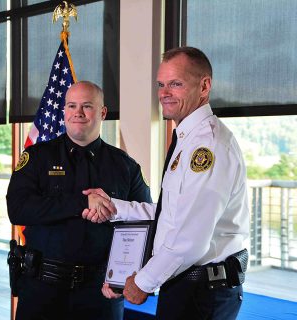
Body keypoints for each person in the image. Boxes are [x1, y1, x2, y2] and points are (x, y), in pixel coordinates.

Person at [83, 47, 250, 320]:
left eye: (176, 84)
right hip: (187, 286)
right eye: (161, 85)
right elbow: (172, 213)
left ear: (204, 86)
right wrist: (115, 207)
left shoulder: (206, 146)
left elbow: (189, 240)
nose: (164, 93)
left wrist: (142, 282)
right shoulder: (188, 137)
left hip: (202, 294)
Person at [6, 81, 152, 320]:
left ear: (103, 113)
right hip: (43, 288)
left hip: (101, 291)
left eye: (87, 106)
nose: (78, 112)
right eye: (72, 105)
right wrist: (82, 203)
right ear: (64, 110)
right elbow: (18, 209)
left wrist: (125, 276)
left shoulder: (125, 166)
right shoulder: (37, 158)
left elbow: (142, 223)